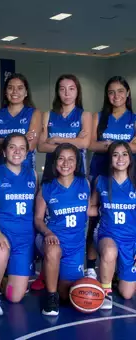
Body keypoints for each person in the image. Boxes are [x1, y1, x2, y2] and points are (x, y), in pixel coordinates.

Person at [34, 74, 92, 290]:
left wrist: (56, 140)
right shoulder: (48, 115)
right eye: (62, 89)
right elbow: (40, 146)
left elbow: (85, 143)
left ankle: (73, 265)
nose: (67, 93)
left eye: (71, 89)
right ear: (57, 92)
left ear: (78, 91)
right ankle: (45, 266)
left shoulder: (84, 115)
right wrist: (73, 142)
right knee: (45, 218)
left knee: (77, 219)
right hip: (52, 171)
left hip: (76, 173)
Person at [34, 143, 93, 316]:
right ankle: (51, 297)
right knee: (53, 250)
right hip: (51, 238)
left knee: (68, 295)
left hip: (75, 246)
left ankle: (52, 276)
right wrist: (47, 232)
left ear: (77, 163)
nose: (65, 163)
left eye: (70, 159)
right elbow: (37, 219)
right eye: (61, 158)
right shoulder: (47, 187)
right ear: (55, 162)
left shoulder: (85, 184)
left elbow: (88, 211)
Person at [86, 76, 136, 280]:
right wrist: (123, 145)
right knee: (96, 219)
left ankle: (119, 269)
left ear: (128, 94)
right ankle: (90, 266)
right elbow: (90, 144)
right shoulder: (99, 117)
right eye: (111, 92)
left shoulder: (134, 119)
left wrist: (109, 144)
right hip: (100, 171)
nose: (116, 96)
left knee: (125, 218)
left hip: (127, 173)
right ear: (107, 95)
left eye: (120, 91)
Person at [0, 132, 38, 316]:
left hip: (25, 238)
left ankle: (0, 279)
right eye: (12, 147)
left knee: (16, 297)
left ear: (27, 153)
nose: (17, 152)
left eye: (22, 148)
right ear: (5, 152)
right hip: (2, 231)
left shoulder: (33, 175)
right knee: (1, 249)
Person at [90, 141, 136, 309]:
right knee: (109, 251)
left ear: (130, 159)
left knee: (127, 293)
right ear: (110, 159)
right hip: (106, 233)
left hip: (131, 240)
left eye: (124, 154)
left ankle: (116, 272)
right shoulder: (101, 181)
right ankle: (105, 291)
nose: (120, 158)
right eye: (115, 155)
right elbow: (92, 207)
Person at [0, 73, 42, 169]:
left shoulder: (35, 114)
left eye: (20, 88)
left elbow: (30, 146)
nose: (15, 91)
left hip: (25, 172)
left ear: (26, 92)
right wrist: (22, 138)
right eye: (10, 88)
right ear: (6, 92)